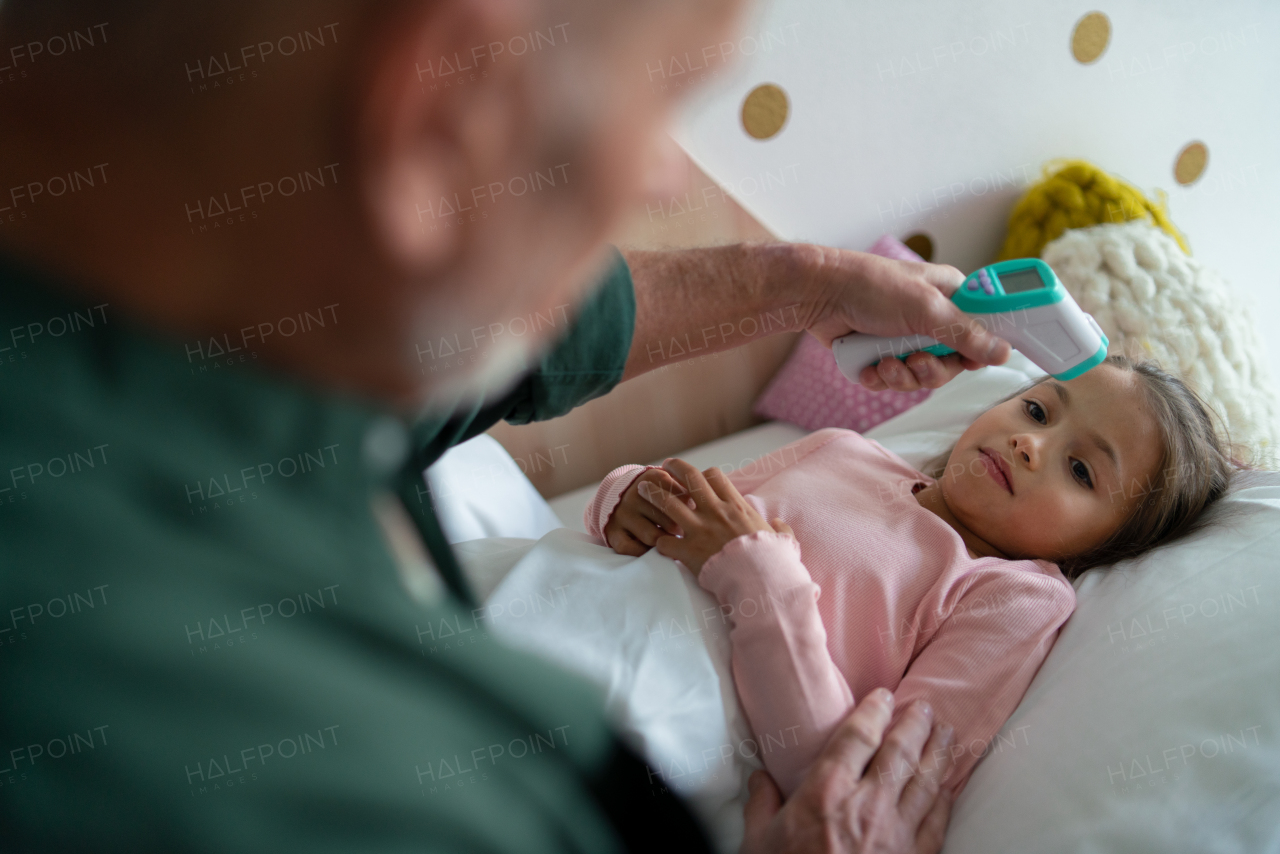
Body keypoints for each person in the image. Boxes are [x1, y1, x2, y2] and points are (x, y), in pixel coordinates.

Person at [0, 1, 1014, 850]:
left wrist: (806, 285)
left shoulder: (252, 320)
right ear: (439, 107)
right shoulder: (348, 791)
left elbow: (517, 334)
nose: (661, 177)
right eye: (658, 98)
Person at [595, 355, 1233, 796]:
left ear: (1108, 546)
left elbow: (853, 783)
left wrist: (761, 578)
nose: (1029, 444)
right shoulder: (842, 449)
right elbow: (684, 504)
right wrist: (626, 495)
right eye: (1038, 412)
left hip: (625, 720)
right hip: (554, 596)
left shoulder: (1010, 595)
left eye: (1083, 471)